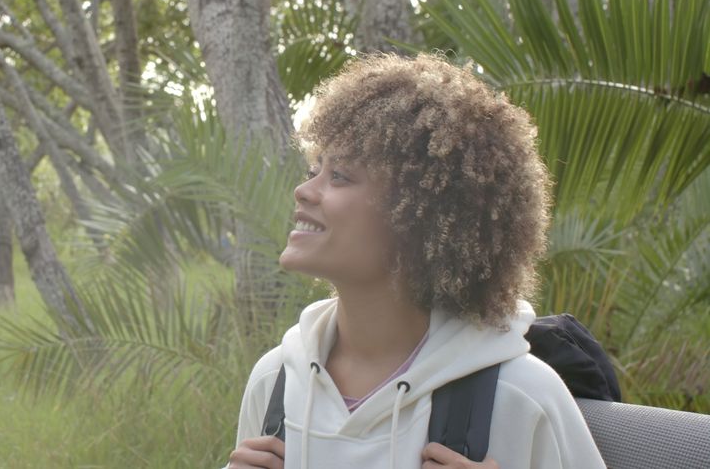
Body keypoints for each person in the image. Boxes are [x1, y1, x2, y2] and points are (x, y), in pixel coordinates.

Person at [223, 54, 607, 469]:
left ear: (421, 216)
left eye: (340, 176)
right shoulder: (275, 381)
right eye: (315, 169)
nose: (304, 190)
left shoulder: (522, 396)